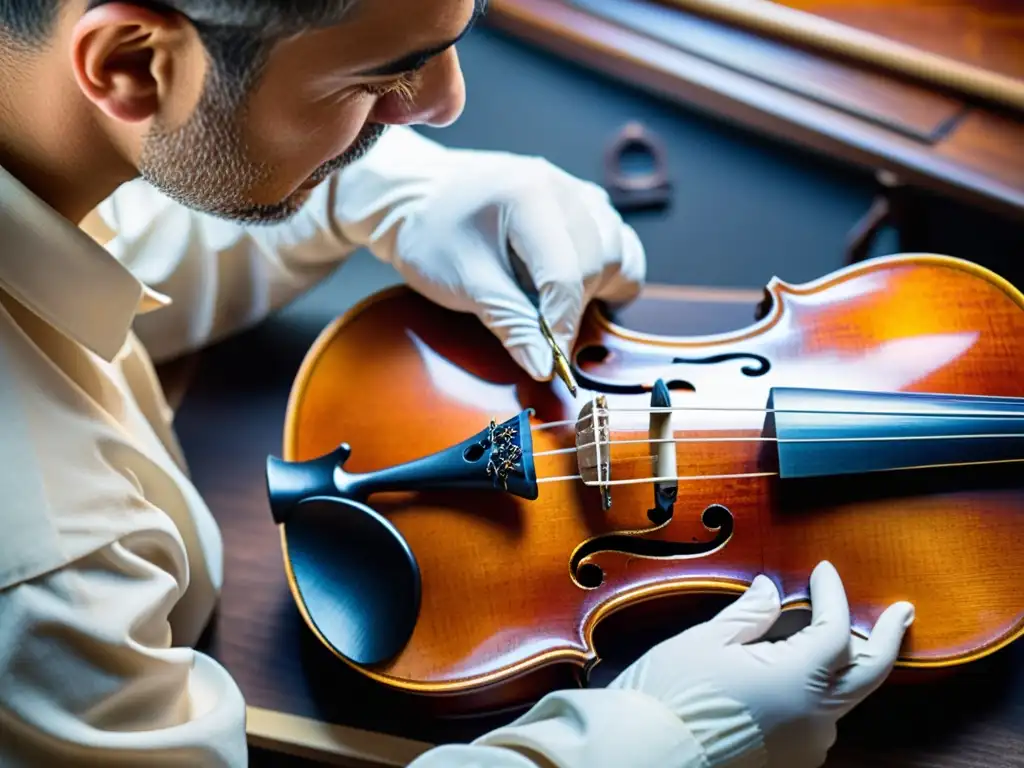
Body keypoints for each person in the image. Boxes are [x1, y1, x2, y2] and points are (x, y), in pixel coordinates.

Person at [0, 0, 915, 766]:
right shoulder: (50, 570)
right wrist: (668, 735)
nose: (446, 103)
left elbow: (118, 214)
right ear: (129, 65)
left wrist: (375, 188)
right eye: (380, 77)